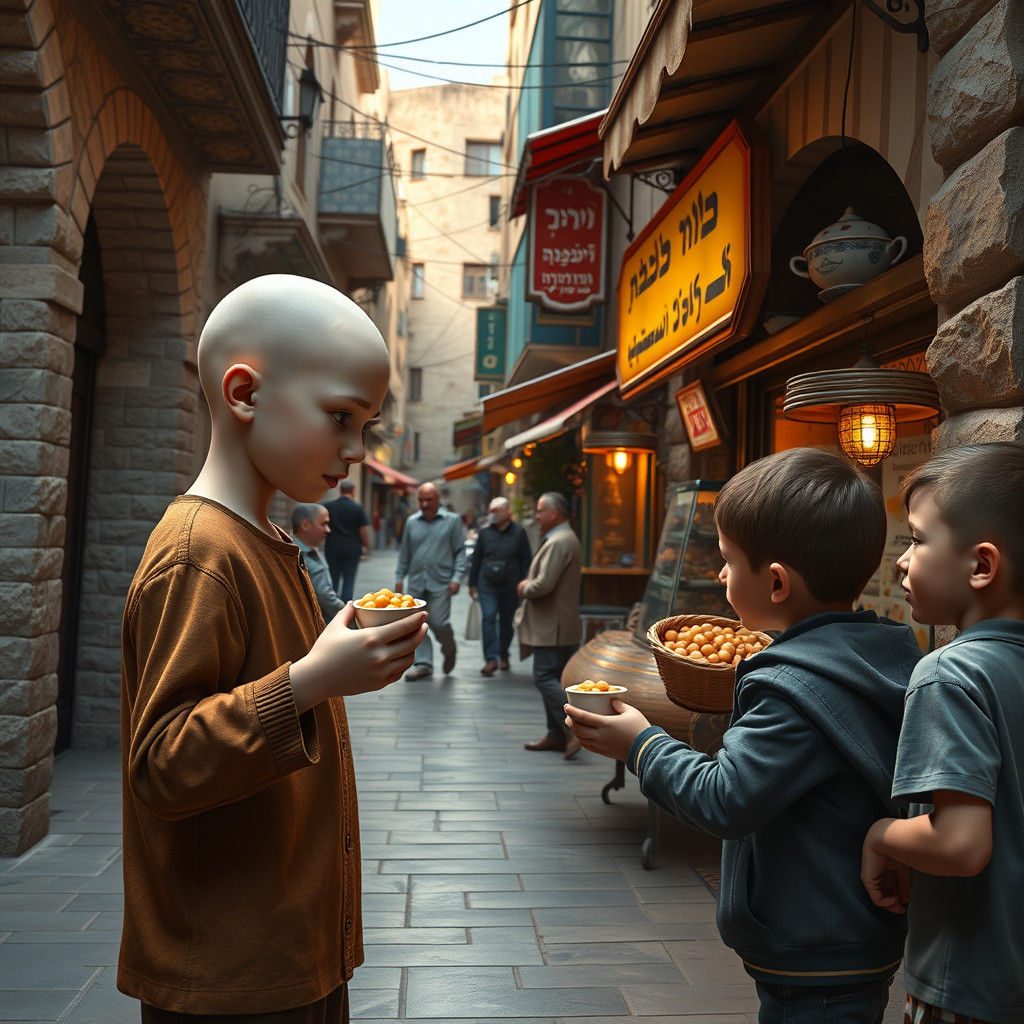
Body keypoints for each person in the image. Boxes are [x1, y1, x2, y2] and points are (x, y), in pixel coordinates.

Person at [118, 274, 427, 1023]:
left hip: (287, 955)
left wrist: (335, 658)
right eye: (341, 417)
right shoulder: (200, 553)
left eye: (367, 425)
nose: (356, 449)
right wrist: (314, 679)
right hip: (228, 978)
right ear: (244, 394)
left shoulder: (268, 539)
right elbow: (160, 763)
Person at [565, 448, 923, 1022]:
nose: (721, 574)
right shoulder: (877, 652)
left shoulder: (791, 687)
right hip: (849, 937)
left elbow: (725, 797)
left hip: (814, 952)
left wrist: (640, 743)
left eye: (730, 561)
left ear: (776, 582)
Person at [861, 442, 1024, 1024]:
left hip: (970, 984)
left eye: (918, 539)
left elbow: (959, 844)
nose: (902, 560)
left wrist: (882, 834)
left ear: (981, 565)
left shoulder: (949, 673)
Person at [516, 491, 583, 759]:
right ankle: (556, 734)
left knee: (544, 677)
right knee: (554, 676)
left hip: (552, 626)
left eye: (540, 510)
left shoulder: (559, 541)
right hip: (558, 624)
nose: (536, 515)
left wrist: (523, 587)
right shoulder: (563, 538)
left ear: (554, 513)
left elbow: (543, 585)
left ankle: (573, 728)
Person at [395, 482, 466, 679]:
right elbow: (405, 553)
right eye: (421, 500)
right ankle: (424, 664)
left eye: (429, 500)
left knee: (439, 622)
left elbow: (460, 551)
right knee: (416, 624)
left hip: (442, 582)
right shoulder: (411, 522)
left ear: (438, 499)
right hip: (416, 582)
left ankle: (449, 647)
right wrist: (399, 577)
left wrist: (457, 577)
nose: (425, 504)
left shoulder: (452, 521)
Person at [469, 497, 532, 676]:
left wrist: (524, 581)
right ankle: (491, 659)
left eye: (496, 510)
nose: (492, 514)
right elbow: (477, 559)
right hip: (486, 582)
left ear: (507, 512)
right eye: (491, 510)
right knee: (488, 617)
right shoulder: (485, 533)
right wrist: (472, 583)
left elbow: (526, 559)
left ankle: (503, 653)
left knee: (506, 622)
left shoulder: (519, 533)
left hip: (511, 584)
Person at [291, 502, 344, 622]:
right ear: (305, 525)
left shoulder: (311, 551)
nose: (328, 530)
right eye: (323, 524)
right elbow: (326, 598)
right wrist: (350, 614)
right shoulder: (296, 556)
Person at [323, 480, 370, 603]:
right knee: (349, 581)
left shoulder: (329, 507)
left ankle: (330, 608)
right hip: (352, 549)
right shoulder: (357, 508)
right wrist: (367, 547)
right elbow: (363, 531)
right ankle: (345, 609)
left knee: (333, 580)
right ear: (353, 491)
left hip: (332, 548)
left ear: (340, 490)